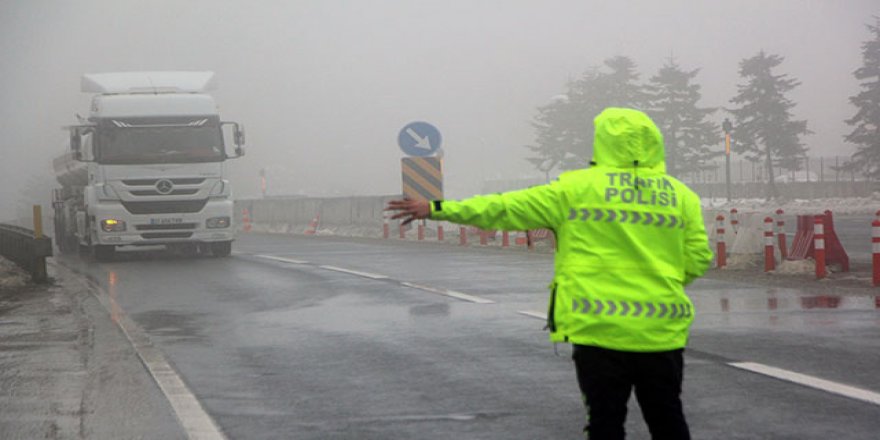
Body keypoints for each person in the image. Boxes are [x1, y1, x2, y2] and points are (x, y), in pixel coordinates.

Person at [386, 107, 713, 439]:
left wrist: (437, 208)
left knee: (605, 421)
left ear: (602, 143)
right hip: (661, 331)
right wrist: (662, 281)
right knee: (667, 417)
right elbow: (699, 257)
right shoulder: (680, 195)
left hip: (597, 329)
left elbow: (504, 207)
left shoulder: (575, 189)